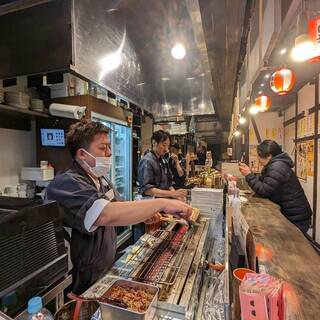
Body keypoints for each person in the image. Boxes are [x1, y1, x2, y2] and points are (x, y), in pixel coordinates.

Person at [46, 120, 192, 294]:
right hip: (81, 279)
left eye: (109, 147)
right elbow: (105, 214)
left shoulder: (101, 179)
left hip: (103, 269)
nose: (109, 153)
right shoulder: (67, 183)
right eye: (103, 148)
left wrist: (144, 215)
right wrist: (163, 202)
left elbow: (120, 207)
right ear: (82, 154)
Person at [238, 140, 312, 233]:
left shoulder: (277, 167)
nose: (258, 159)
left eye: (259, 156)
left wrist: (248, 174)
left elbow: (264, 190)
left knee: (288, 245)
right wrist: (249, 173)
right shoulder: (275, 164)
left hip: (296, 218)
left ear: (269, 156)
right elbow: (263, 184)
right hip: (292, 214)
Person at [137, 130, 187, 200]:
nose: (167, 149)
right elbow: (147, 190)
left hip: (164, 201)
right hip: (151, 203)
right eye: (164, 145)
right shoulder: (147, 161)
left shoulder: (163, 160)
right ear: (154, 142)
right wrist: (173, 194)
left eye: (168, 146)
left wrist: (176, 197)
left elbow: (169, 183)